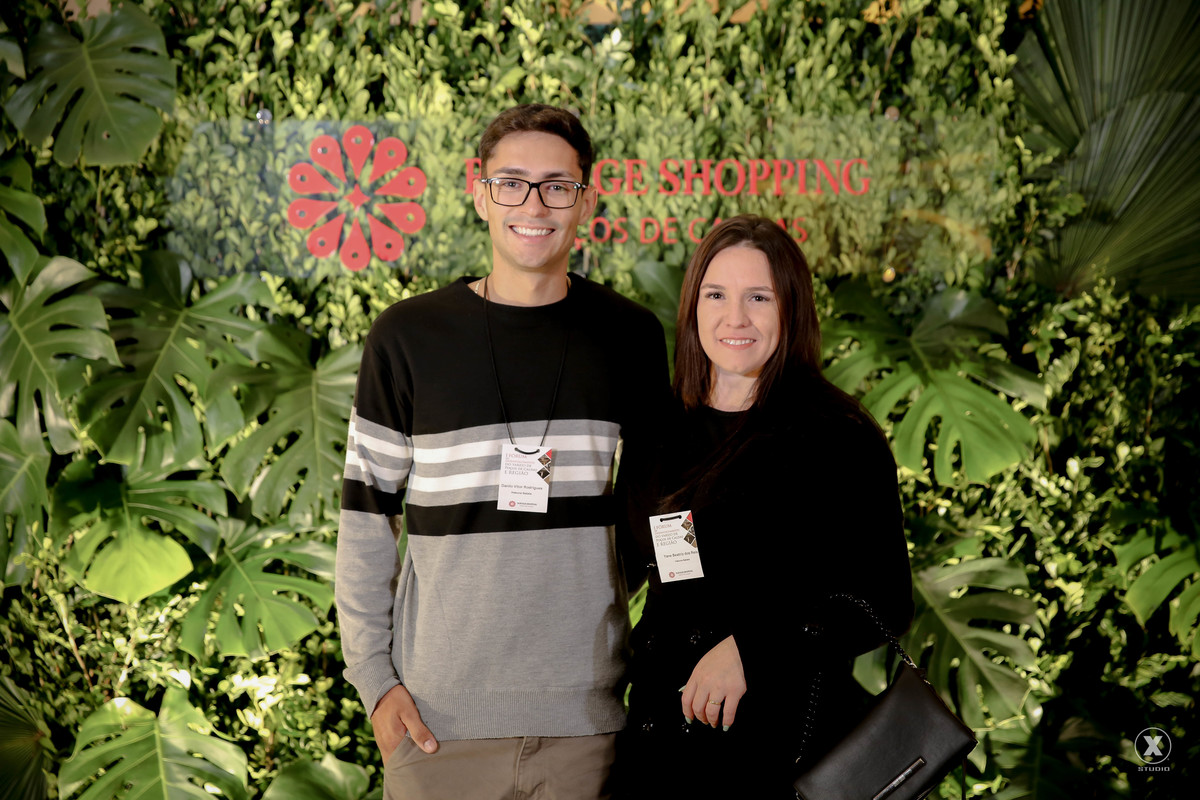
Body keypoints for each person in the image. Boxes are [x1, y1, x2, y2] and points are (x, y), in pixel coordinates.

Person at [335, 104, 668, 800]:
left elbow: (662, 514)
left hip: (584, 725)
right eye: (512, 183)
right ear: (480, 193)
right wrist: (374, 682)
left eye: (557, 186)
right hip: (436, 724)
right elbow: (365, 522)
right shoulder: (408, 338)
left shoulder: (629, 336)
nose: (534, 205)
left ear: (587, 200)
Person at [616, 215, 914, 798]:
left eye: (759, 297)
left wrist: (752, 650)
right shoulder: (660, 430)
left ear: (791, 308)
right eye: (716, 295)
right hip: (658, 745)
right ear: (692, 306)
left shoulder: (837, 435)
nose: (735, 318)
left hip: (778, 750)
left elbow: (885, 601)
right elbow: (638, 569)